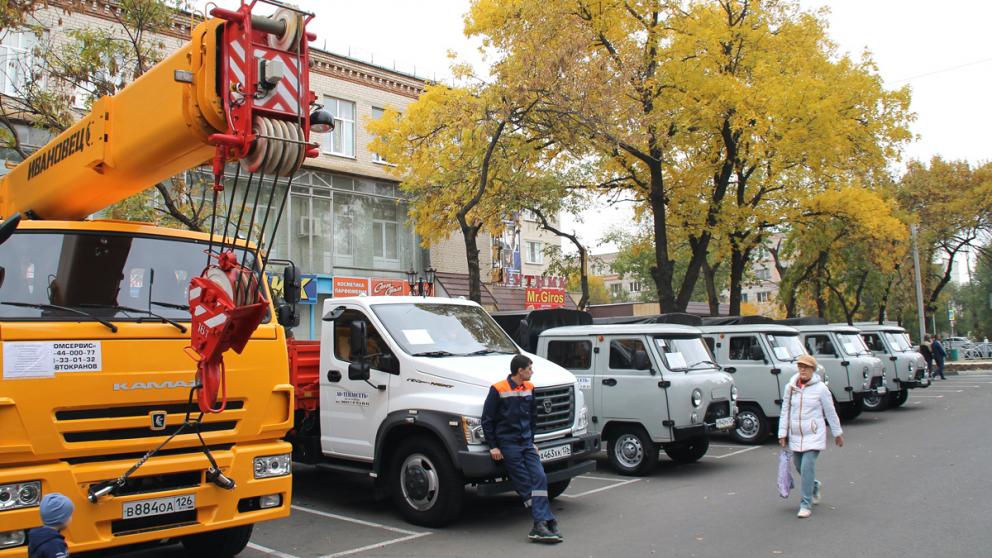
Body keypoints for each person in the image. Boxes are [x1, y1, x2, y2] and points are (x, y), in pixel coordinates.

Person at [481, 354, 561, 543]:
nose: (532, 372)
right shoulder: (498, 389)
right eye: (530, 368)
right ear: (520, 370)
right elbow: (487, 420)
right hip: (508, 444)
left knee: (540, 477)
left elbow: (533, 417)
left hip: (526, 443)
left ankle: (542, 521)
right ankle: (544, 521)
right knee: (525, 482)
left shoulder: (530, 388)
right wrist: (493, 446)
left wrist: (532, 441)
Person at [778, 354, 844, 519]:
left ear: (813, 370)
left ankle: (805, 504)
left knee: (807, 467)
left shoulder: (821, 389)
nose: (802, 370)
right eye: (800, 367)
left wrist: (837, 433)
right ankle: (814, 486)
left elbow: (830, 411)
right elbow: (785, 410)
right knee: (799, 466)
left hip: (814, 435)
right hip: (796, 435)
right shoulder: (790, 387)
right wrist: (782, 433)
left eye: (806, 367)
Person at [28, 493, 74, 558]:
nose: (71, 518)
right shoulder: (55, 544)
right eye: (70, 515)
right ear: (62, 518)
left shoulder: (37, 538)